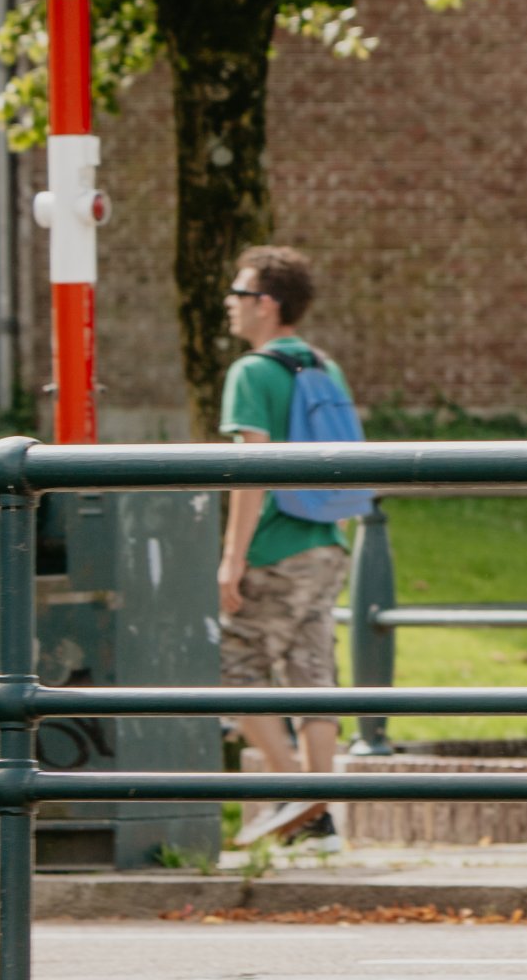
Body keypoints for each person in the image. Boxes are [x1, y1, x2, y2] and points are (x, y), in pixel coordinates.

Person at [216, 246, 355, 853]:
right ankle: (320, 825)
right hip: (327, 541)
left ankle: (296, 793)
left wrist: (232, 557)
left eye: (239, 294)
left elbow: (253, 470)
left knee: (232, 668)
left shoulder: (253, 371)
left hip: (276, 543)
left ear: (267, 305)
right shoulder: (323, 366)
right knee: (312, 676)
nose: (230, 304)